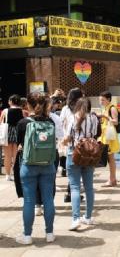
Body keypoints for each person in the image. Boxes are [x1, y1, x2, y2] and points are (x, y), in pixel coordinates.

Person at [15, 92, 56, 245]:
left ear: (28, 105)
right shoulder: (50, 122)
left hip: (28, 166)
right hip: (47, 165)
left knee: (29, 201)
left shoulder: (23, 123)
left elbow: (19, 144)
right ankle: (50, 233)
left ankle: (27, 236)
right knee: (48, 199)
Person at [63, 97, 98, 231]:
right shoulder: (94, 118)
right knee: (89, 187)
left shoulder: (72, 118)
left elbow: (67, 137)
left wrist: (63, 142)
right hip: (89, 155)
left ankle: (75, 219)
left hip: (74, 154)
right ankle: (88, 217)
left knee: (75, 187)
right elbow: (94, 135)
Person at [60, 88, 84, 201]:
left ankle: (70, 193)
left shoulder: (65, 109)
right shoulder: (81, 108)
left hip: (68, 141)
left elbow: (60, 123)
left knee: (72, 170)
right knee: (77, 171)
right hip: (80, 143)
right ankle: (72, 194)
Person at [99, 91, 120, 187]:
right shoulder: (106, 108)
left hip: (110, 137)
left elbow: (116, 122)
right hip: (106, 136)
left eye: (103, 100)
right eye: (100, 99)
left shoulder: (112, 108)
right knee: (109, 158)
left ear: (108, 99)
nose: (101, 101)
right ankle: (112, 179)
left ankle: (112, 179)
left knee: (111, 159)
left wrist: (106, 117)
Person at [0, 94, 23, 181]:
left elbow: (1, 121)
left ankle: (8, 175)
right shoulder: (22, 111)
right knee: (16, 155)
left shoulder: (5, 110)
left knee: (7, 155)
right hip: (18, 132)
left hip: (7, 133)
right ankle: (17, 174)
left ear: (11, 101)